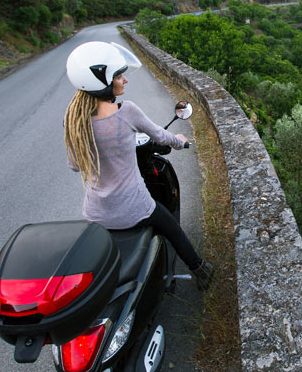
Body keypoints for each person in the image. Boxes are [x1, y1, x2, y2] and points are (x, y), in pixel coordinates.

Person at [63, 41, 213, 291]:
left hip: (96, 214)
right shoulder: (127, 111)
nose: (125, 80)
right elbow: (162, 137)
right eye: (119, 75)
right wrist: (181, 142)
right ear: (104, 81)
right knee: (172, 228)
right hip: (134, 208)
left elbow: (74, 165)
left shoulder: (75, 121)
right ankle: (200, 270)